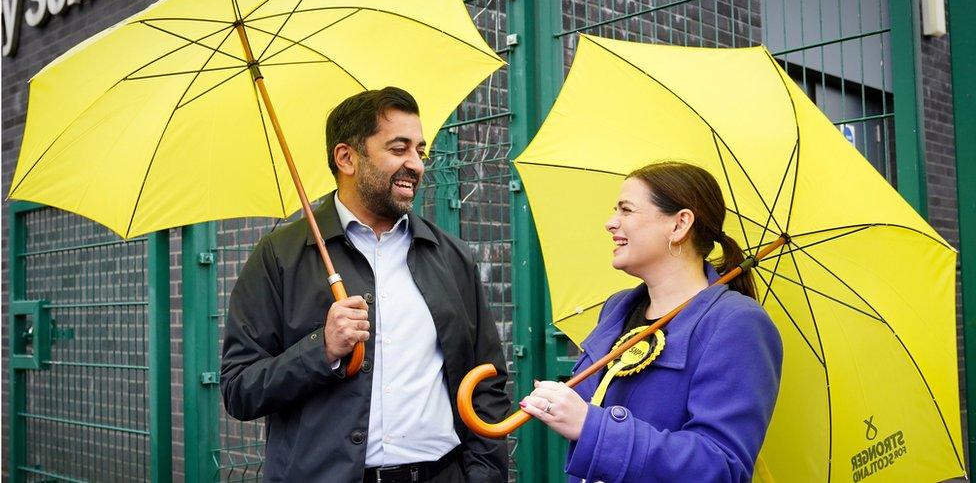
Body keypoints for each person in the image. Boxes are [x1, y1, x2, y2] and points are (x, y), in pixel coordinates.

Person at [220, 87, 510, 483]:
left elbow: (487, 381)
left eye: (420, 151)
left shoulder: (451, 256)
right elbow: (239, 389)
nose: (416, 164)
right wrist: (320, 350)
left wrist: (484, 478)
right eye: (398, 149)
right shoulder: (280, 256)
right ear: (347, 158)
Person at [519, 161, 783, 483]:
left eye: (626, 210)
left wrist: (592, 427)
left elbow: (721, 466)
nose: (610, 223)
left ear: (679, 225)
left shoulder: (736, 324)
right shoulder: (617, 308)